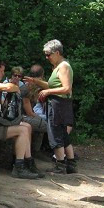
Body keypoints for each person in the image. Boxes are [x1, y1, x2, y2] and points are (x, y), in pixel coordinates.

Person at [28, 39, 76, 174]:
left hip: (58, 105)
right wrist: (36, 81)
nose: (46, 57)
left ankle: (60, 166)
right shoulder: (59, 67)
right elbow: (53, 85)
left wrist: (48, 92)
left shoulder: (63, 67)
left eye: (48, 54)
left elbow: (66, 88)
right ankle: (70, 164)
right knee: (62, 134)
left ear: (57, 52)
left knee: (55, 134)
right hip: (59, 104)